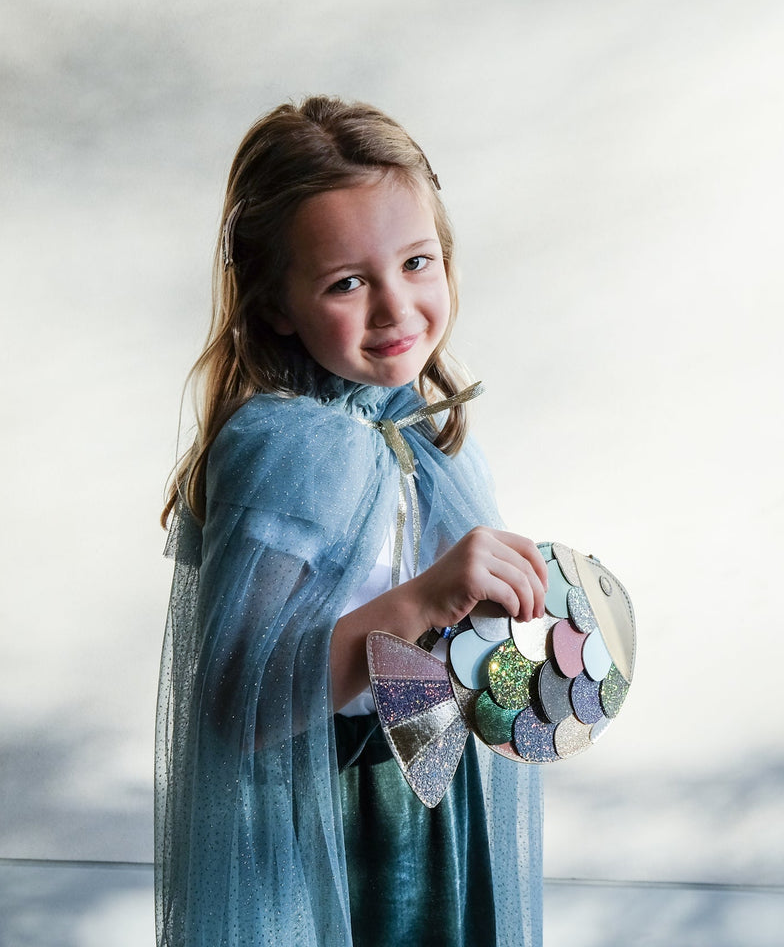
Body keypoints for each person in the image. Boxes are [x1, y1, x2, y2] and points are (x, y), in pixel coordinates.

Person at [156, 96, 545, 947]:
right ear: (276, 303)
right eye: (347, 282)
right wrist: (426, 599)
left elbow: (448, 651)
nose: (395, 307)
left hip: (429, 789)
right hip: (323, 808)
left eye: (417, 262)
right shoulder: (288, 449)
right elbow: (240, 703)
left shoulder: (425, 433)